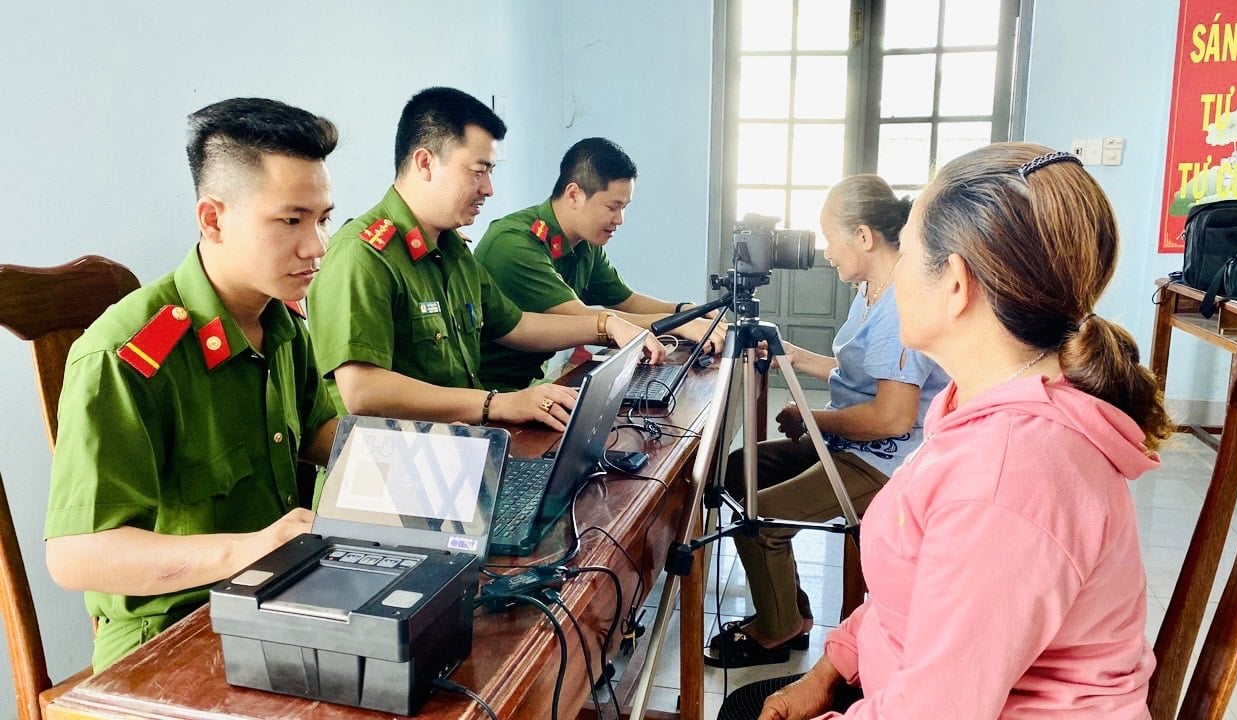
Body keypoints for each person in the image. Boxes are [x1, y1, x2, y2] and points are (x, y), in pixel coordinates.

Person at [721, 142, 1172, 719]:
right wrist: (833, 667)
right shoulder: (984, 412)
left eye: (906, 252)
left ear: (955, 283)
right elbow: (910, 592)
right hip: (906, 679)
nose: (896, 274)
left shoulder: (1009, 476)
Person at [44, 98, 341, 672]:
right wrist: (250, 548)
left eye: (323, 217)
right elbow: (74, 556)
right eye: (291, 220)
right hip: (172, 636)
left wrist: (415, 455)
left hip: (278, 599)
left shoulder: (281, 320)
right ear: (212, 219)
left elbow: (313, 431)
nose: (317, 246)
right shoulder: (129, 356)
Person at [306, 89, 664, 431]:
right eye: (478, 171)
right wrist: (496, 403)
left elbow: (515, 326)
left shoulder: (452, 249)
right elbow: (362, 391)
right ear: (425, 163)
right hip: (385, 475)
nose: (489, 188)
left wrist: (605, 325)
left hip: (457, 449)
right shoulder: (364, 254)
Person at [705, 175, 949, 669]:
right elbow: (859, 371)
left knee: (760, 522)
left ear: (864, 236)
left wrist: (810, 416)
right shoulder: (871, 289)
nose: (825, 251)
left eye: (830, 237)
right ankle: (792, 610)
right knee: (740, 470)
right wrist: (794, 357)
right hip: (848, 442)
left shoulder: (901, 302)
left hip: (887, 461)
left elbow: (892, 416)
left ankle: (777, 632)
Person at [474, 137, 726, 391]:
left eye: (624, 208)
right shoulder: (515, 244)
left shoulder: (584, 243)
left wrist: (683, 311)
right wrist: (680, 324)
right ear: (574, 195)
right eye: (612, 207)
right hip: (486, 389)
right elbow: (584, 319)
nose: (620, 220)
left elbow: (627, 301)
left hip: (529, 384)